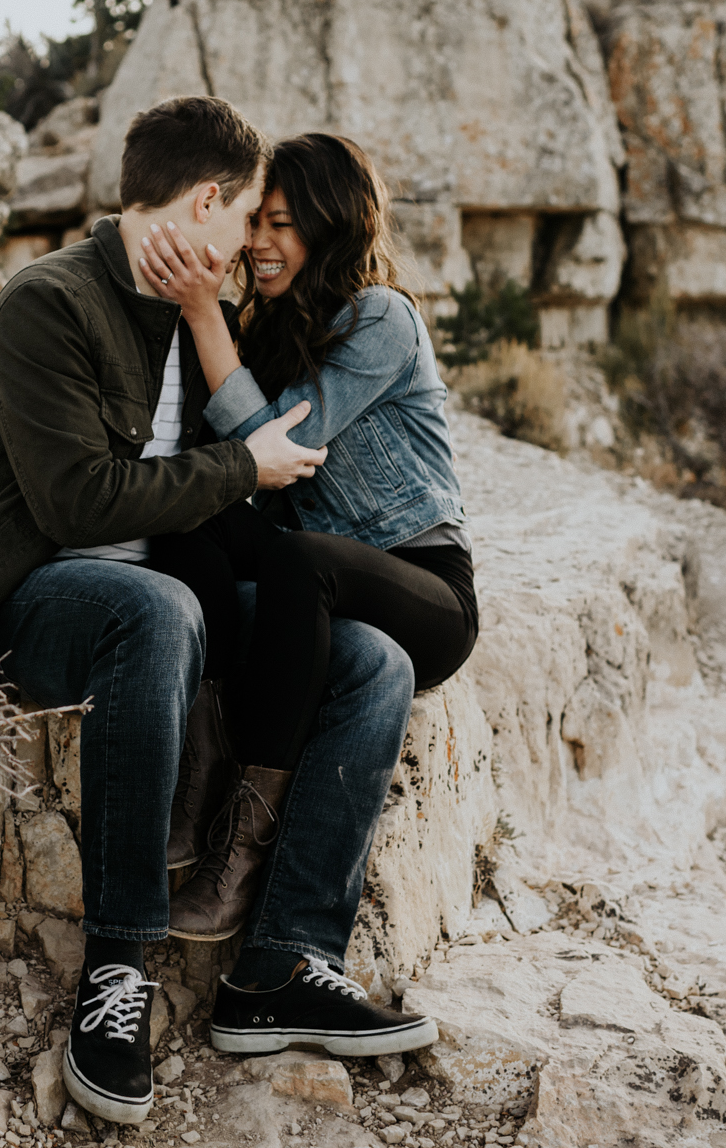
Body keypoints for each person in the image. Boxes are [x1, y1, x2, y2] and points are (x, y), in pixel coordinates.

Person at [0, 100, 436, 1127]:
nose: (248, 245)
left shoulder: (205, 323)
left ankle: (281, 960)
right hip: (36, 603)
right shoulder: (45, 302)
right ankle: (118, 964)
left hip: (168, 603)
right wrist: (243, 465)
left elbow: (235, 494)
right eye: (245, 217)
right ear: (204, 204)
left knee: (369, 658)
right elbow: (73, 503)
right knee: (152, 610)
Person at [133, 132, 479, 1006]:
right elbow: (225, 464)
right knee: (183, 523)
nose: (258, 244)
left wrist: (205, 313)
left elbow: (276, 446)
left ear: (331, 226)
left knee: (294, 555)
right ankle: (202, 764)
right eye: (257, 222)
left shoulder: (381, 318)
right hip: (313, 570)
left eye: (282, 224)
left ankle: (242, 849)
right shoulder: (271, 329)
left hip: (425, 588)